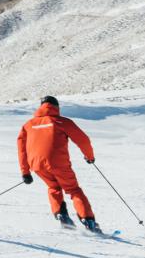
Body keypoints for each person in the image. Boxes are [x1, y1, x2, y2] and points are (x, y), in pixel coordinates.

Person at [18, 95, 100, 233]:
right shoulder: (61, 121)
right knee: (73, 189)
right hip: (58, 163)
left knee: (53, 187)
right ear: (56, 107)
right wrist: (89, 157)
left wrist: (25, 172)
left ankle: (62, 217)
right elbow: (83, 140)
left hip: (37, 165)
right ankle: (89, 221)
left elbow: (21, 149)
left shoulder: (28, 125)